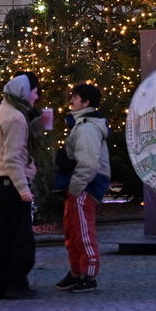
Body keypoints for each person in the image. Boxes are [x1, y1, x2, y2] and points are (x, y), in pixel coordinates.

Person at [0, 72, 47, 300]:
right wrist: (23, 189)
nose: (37, 96)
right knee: (20, 239)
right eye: (35, 91)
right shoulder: (16, 118)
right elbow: (13, 158)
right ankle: (15, 284)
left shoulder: (3, 110)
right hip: (9, 185)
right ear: (24, 92)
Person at [55, 83, 110, 295]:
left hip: (84, 185)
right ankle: (78, 271)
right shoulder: (82, 125)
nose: (71, 101)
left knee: (82, 229)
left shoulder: (86, 127)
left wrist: (76, 187)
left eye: (75, 97)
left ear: (85, 102)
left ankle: (87, 273)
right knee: (73, 228)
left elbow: (88, 164)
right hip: (81, 184)